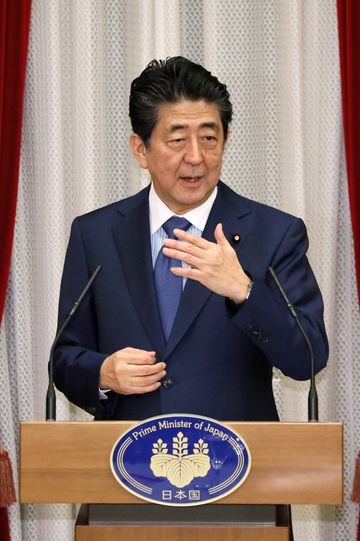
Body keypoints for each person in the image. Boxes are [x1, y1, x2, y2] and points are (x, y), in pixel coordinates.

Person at [53, 56, 328, 421]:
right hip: (125, 461)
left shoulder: (275, 233)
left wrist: (244, 291)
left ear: (225, 141)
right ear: (140, 149)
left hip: (238, 462)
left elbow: (308, 358)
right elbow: (64, 356)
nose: (196, 157)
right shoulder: (96, 234)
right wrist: (103, 374)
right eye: (178, 139)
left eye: (209, 138)